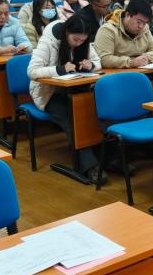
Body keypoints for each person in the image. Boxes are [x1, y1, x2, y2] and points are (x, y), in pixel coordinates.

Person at [27, 15, 103, 183]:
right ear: (66, 32)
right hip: (48, 93)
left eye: (83, 40)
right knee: (72, 117)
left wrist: (90, 65)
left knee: (92, 112)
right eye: (75, 39)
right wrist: (60, 69)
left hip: (75, 88)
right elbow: (32, 71)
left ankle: (105, 157)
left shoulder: (82, 41)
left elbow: (98, 62)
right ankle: (90, 166)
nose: (78, 44)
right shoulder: (48, 42)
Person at [93, 0, 153, 68]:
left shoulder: (145, 28)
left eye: (145, 23)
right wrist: (131, 62)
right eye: (138, 22)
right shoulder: (108, 30)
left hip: (142, 70)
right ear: (127, 15)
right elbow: (104, 59)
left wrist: (146, 58)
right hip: (117, 73)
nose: (141, 26)